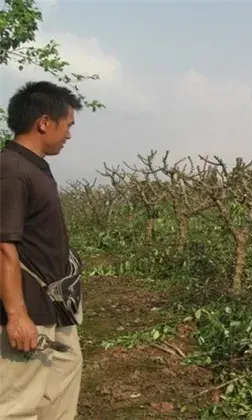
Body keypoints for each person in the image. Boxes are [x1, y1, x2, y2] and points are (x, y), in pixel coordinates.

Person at [1, 81, 85, 419]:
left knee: (60, 386)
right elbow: (4, 247)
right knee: (18, 404)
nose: (69, 135)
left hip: (54, 307)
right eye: (68, 125)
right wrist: (17, 315)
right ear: (44, 122)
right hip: (28, 310)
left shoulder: (34, 168)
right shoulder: (11, 170)